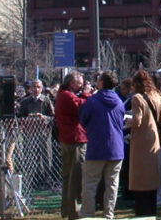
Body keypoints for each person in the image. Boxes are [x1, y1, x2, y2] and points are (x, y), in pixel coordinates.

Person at [78, 71, 125, 220]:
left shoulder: (92, 101)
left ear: (102, 83)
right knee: (112, 184)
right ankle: (108, 214)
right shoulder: (118, 101)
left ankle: (87, 214)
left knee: (90, 184)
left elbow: (83, 119)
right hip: (116, 148)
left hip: (97, 147)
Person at [128, 69, 161, 216]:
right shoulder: (157, 95)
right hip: (154, 137)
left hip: (141, 141)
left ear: (136, 83)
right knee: (152, 176)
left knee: (140, 178)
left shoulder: (137, 98)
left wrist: (126, 121)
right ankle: (152, 211)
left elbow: (136, 121)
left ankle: (142, 212)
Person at [55, 72, 90, 220]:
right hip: (74, 140)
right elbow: (81, 106)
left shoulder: (63, 94)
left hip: (68, 139)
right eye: (79, 83)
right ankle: (74, 211)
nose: (82, 86)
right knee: (76, 176)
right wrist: (87, 94)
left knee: (69, 176)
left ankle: (68, 209)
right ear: (71, 83)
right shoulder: (67, 96)